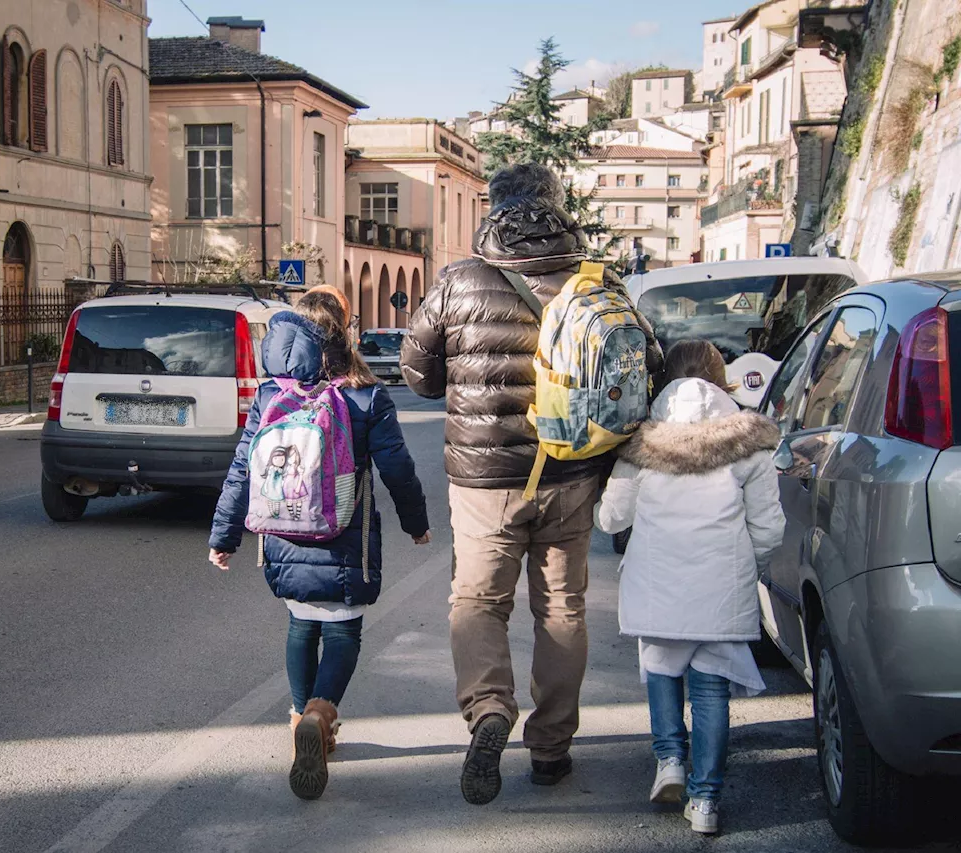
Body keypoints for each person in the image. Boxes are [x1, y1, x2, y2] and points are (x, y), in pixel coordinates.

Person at [401, 163, 663, 805]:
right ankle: (550, 749)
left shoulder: (460, 280)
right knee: (561, 607)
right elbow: (647, 366)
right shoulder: (598, 280)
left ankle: (489, 710)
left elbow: (417, 376)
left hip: (484, 478)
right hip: (573, 472)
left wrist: (466, 381)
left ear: (495, 208)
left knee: (479, 602)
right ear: (556, 205)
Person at [209, 290, 430, 801]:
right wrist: (415, 524)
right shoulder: (366, 396)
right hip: (346, 538)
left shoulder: (270, 396)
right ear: (342, 335)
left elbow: (242, 470)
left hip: (284, 535)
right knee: (344, 631)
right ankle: (321, 713)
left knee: (301, 624)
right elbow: (398, 469)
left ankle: (298, 721)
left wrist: (224, 537)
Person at [594, 340, 785, 835]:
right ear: (723, 382)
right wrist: (746, 564)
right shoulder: (749, 446)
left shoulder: (643, 447)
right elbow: (769, 529)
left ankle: (670, 763)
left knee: (661, 668)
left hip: (657, 583)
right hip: (721, 586)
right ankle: (705, 802)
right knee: (710, 688)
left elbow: (612, 517)